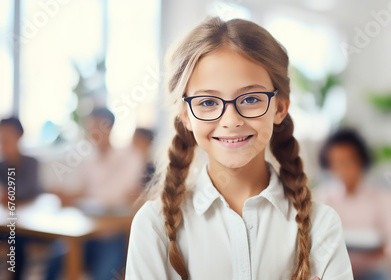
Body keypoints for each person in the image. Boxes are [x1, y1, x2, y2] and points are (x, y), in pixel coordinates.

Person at [125, 17, 353, 280]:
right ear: (186, 116)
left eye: (251, 99)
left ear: (279, 107)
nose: (231, 120)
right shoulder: (153, 226)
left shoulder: (322, 226)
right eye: (208, 102)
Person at [45, 108, 144, 280]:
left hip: (113, 235)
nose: (93, 132)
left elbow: (113, 197)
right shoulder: (89, 159)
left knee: (103, 275)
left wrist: (81, 197)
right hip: (85, 233)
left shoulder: (129, 158)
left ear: (110, 127)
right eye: (90, 127)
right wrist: (66, 196)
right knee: (53, 262)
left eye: (98, 127)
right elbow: (80, 191)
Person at [314, 129, 391, 280]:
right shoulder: (324, 197)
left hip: (371, 271)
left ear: (361, 161)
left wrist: (385, 251)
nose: (342, 170)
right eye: (336, 163)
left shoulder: (381, 197)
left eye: (347, 162)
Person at [0, 117, 43, 280]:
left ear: (18, 136)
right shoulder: (2, 165)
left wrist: (8, 194)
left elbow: (27, 189)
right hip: (7, 223)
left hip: (29, 225)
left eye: (7, 137)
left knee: (17, 240)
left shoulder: (31, 163)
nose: (3, 141)